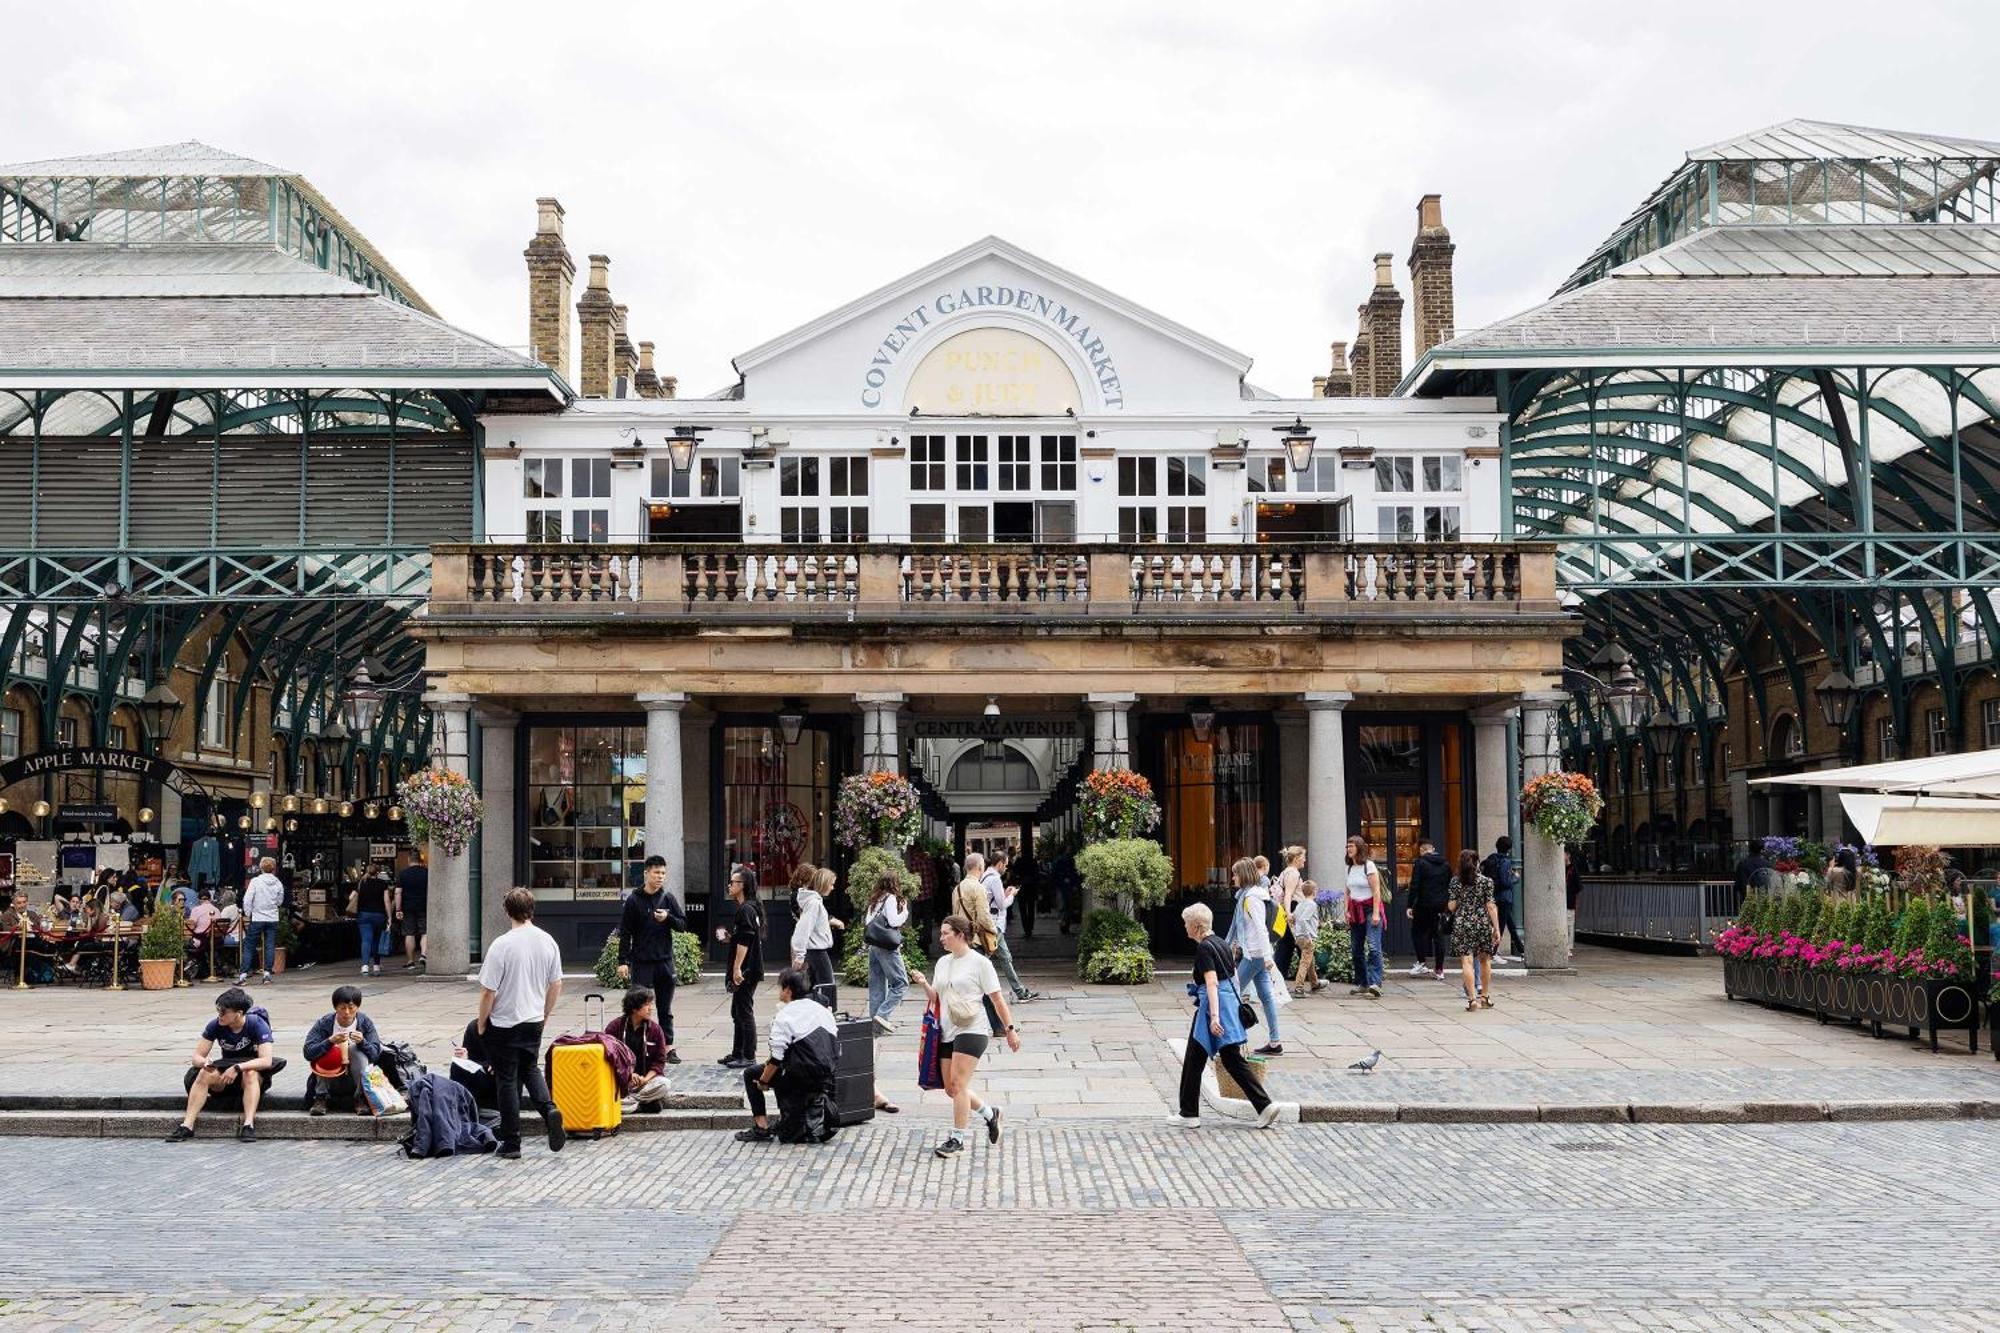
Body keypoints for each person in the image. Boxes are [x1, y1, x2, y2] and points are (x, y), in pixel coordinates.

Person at [1169, 902, 1286, 1130]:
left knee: (1195, 1060)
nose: (1184, 928)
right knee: (1231, 1058)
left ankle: (1189, 1113)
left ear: (1195, 926)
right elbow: (1233, 978)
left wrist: (1214, 1017)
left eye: (1186, 924)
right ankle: (1264, 1106)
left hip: (1212, 1009)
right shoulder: (1222, 943)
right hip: (1229, 1005)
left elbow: (1211, 982)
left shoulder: (1204, 948)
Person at [911, 915, 1019, 1159]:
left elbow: (997, 998)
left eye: (946, 933)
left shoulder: (980, 963)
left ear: (961, 935)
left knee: (958, 1085)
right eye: (941, 933)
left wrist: (1010, 1029)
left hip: (973, 1028)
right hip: (946, 1029)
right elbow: (936, 998)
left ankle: (957, 1139)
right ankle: (991, 1114)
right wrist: (923, 983)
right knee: (951, 1088)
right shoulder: (942, 963)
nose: (942, 938)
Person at [475, 888, 567, 1160]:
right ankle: (549, 1109)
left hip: (505, 1021)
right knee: (530, 1068)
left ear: (507, 912)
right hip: (534, 1018)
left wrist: (482, 1023)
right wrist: (545, 1012)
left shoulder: (502, 944)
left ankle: (512, 1142)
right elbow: (556, 983)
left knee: (506, 1080)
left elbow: (487, 991)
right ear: (532, 909)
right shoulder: (547, 941)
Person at [734, 967, 840, 1144]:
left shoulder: (784, 1016)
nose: (778, 991)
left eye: (780, 987)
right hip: (825, 1076)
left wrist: (763, 1082)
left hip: (798, 1075)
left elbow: (776, 1058)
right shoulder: (823, 1011)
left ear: (788, 990)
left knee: (751, 1073)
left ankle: (761, 1128)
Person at [165, 986, 280, 1143]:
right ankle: (187, 1125)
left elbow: (266, 1061)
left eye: (224, 1012)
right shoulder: (216, 1025)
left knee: (250, 1073)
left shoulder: (257, 1024)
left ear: (238, 1013)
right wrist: (205, 1063)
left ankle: (248, 1125)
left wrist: (238, 1067)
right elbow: (196, 1057)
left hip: (250, 1076)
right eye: (218, 1010)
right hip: (226, 1075)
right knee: (204, 1073)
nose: (219, 1015)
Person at [616, 854, 688, 1062]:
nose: (660, 877)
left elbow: (683, 925)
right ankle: (636, 1047)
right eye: (656, 872)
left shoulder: (668, 898)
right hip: (642, 963)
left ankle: (668, 1048)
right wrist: (623, 961)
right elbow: (626, 932)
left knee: (665, 1009)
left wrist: (668, 919)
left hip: (665, 961)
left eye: (663, 873)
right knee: (638, 1008)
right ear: (646, 873)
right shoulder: (633, 900)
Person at [1230, 857, 1284, 1054]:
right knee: (1266, 996)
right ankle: (1275, 1041)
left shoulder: (1252, 898)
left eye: (1235, 873)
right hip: (1257, 953)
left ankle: (1234, 1039)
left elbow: (1261, 929)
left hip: (1255, 955)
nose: (1233, 877)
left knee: (1232, 992)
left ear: (1243, 875)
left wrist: (1267, 957)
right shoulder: (1252, 895)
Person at [302, 984, 382, 1116]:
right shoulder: (325, 1023)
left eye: (351, 1008)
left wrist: (363, 1042)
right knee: (328, 1050)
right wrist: (329, 1042)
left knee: (355, 1049)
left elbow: (375, 1054)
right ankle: (321, 1097)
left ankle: (360, 1098)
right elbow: (308, 1052)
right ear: (335, 1008)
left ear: (357, 1007)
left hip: (357, 1078)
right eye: (342, 1008)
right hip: (330, 1078)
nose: (347, 1012)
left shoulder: (365, 1023)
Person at [720, 866, 764, 1069]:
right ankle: (738, 1052)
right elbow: (745, 937)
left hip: (747, 969)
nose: (730, 885)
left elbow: (746, 940)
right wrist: (730, 937)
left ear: (742, 885)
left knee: (744, 1011)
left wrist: (737, 968)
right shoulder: (749, 907)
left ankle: (748, 1055)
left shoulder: (747, 908)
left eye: (733, 882)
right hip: (749, 968)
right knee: (737, 1010)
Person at [1448, 848, 1501, 1012]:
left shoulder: (1456, 882)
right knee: (1485, 960)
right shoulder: (1486, 882)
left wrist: (1459, 903)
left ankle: (1472, 999)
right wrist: (1496, 928)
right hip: (1482, 923)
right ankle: (1484, 997)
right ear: (1477, 863)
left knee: (1467, 961)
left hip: (1463, 923)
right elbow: (1491, 906)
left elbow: (1451, 906)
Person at [982, 847, 1037, 1003]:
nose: (1006, 868)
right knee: (987, 959)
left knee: (1005, 958)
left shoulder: (986, 876)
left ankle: (1020, 991)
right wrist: (1011, 895)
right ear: (1000, 863)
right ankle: (1018, 992)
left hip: (991, 923)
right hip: (995, 924)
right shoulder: (994, 878)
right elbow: (1001, 905)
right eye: (1005, 864)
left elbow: (994, 899)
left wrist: (1005, 894)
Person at [606, 987, 672, 1115]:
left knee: (664, 1084)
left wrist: (645, 1079)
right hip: (620, 1080)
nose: (650, 1008)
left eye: (651, 1004)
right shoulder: (615, 1027)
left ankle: (629, 1103)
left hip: (645, 1082)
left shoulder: (655, 1030)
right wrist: (628, 1074)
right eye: (646, 1005)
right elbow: (608, 1056)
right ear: (634, 1008)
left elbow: (660, 1062)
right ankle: (641, 1104)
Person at [789, 865, 843, 1010]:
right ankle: (827, 1017)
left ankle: (808, 1015)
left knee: (809, 987)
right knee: (828, 987)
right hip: (817, 952)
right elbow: (802, 930)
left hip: (813, 951)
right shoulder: (814, 903)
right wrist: (799, 955)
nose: (832, 888)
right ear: (823, 883)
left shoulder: (813, 902)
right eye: (831, 884)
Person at [863, 867, 911, 1030]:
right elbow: (894, 922)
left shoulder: (875, 899)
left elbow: (868, 922)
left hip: (874, 946)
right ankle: (882, 1015)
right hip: (886, 947)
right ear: (894, 883)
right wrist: (904, 911)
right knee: (900, 984)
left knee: (877, 986)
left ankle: (876, 1028)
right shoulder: (890, 898)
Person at [1344, 836, 1387, 997]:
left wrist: (1376, 913)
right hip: (1355, 909)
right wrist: (1346, 910)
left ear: (1359, 848)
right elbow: (1347, 891)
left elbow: (1376, 891)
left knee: (1374, 946)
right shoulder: (1350, 868)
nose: (1349, 849)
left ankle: (1375, 984)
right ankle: (1363, 983)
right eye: (1348, 846)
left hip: (1370, 909)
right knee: (1356, 949)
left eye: (1352, 846)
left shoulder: (1368, 866)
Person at [1406, 838, 1453, 980]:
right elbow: (1449, 884)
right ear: (1432, 849)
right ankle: (1439, 969)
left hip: (1424, 904)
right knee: (1438, 937)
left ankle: (1421, 962)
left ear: (1422, 850)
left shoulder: (1420, 863)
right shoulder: (1445, 864)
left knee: (1417, 933)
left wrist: (1410, 905)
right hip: (1440, 905)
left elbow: (1415, 885)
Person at [237, 857, 284, 984]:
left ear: (261, 868)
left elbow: (247, 899)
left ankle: (243, 975)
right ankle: (267, 974)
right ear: (273, 868)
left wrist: (248, 912)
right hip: (272, 918)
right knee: (269, 945)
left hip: (257, 917)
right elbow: (280, 901)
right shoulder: (278, 883)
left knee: (249, 946)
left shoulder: (255, 881)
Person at [1481, 836, 1524, 963]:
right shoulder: (1505, 862)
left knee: (1510, 925)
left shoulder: (1491, 859)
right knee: (1500, 926)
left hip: (1494, 896)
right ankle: (1492, 953)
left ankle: (1521, 950)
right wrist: (1515, 878)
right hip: (1504, 898)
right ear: (1509, 849)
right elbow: (1506, 882)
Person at [950, 854, 999, 958]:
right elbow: (983, 916)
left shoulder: (957, 888)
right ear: (980, 867)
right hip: (974, 940)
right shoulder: (978, 888)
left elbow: (954, 915)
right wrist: (994, 930)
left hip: (960, 938)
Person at [348, 861, 393, 977]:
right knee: (376, 940)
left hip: (364, 915)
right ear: (377, 872)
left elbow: (351, 897)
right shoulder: (383, 884)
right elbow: (387, 901)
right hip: (379, 915)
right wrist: (389, 916)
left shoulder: (361, 883)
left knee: (366, 940)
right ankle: (376, 966)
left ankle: (365, 966)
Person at [450, 1018, 498, 1110]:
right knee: (456, 1066)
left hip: (499, 1078)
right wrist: (464, 1057)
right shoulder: (473, 1027)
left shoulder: (510, 1029)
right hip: (480, 1073)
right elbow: (471, 1059)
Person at [1272, 848, 1303, 982]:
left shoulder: (1285, 872)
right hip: (1293, 909)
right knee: (1303, 945)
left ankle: (1278, 978)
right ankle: (1279, 978)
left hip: (1289, 909)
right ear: (1296, 859)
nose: (1304, 860)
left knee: (1287, 945)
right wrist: (1289, 913)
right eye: (1303, 857)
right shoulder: (1293, 873)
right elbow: (1289, 895)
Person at [395, 851, 429, 972]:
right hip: (424, 906)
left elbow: (398, 892)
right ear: (420, 860)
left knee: (409, 933)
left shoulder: (403, 874)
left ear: (409, 860)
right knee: (425, 932)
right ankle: (424, 955)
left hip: (407, 907)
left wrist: (398, 909)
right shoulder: (427, 873)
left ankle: (410, 961)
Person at [1289, 879, 1323, 996]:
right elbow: (1304, 919)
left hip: (1299, 937)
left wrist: (1296, 931)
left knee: (1309, 960)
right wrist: (1308, 935)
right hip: (1307, 937)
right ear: (1314, 892)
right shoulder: (1312, 904)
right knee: (1305, 962)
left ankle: (1315, 983)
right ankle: (1299, 987)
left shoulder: (1300, 904)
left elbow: (1292, 918)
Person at [1564, 849, 1583, 960]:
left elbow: (1578, 886)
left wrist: (1571, 894)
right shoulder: (1560, 868)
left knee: (1569, 925)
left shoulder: (1572, 869)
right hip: (1563, 900)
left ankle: (1568, 948)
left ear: (1568, 855)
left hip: (1570, 900)